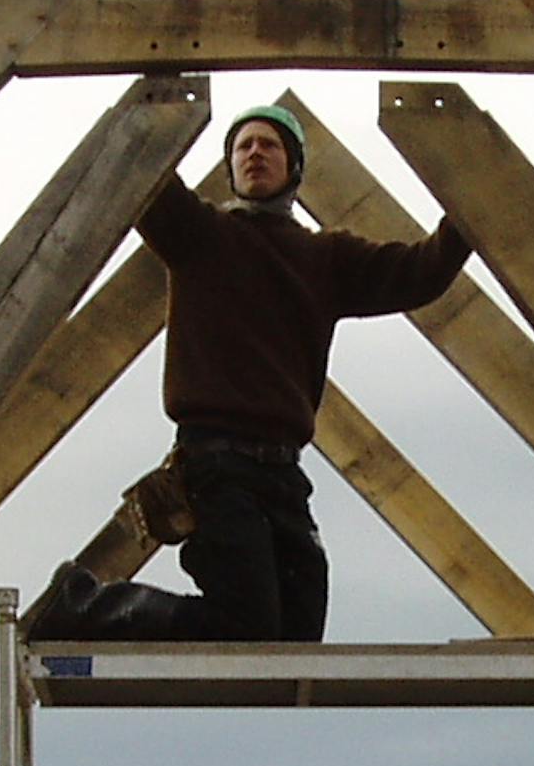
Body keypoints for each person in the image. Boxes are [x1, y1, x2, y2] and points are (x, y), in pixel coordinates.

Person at [32, 102, 475, 643]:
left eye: (270, 144)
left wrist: (472, 210)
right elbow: (140, 165)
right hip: (214, 461)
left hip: (283, 473)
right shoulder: (200, 234)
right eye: (243, 146)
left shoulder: (324, 258)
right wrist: (150, 96)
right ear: (230, 168)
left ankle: (93, 607)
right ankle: (85, 604)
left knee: (299, 635)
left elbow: (419, 272)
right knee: (246, 624)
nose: (255, 153)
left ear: (294, 168)